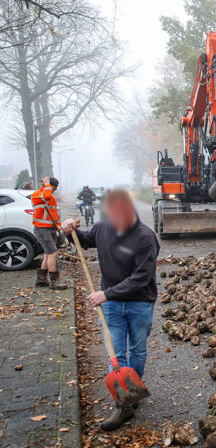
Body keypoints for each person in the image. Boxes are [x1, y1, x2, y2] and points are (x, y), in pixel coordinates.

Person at [61, 189, 159, 431]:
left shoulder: (145, 237)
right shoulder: (103, 228)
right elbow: (83, 240)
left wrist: (106, 294)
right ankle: (123, 403)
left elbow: (141, 277)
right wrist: (68, 231)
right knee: (115, 355)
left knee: (137, 350)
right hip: (113, 305)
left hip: (139, 302)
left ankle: (132, 391)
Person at [31, 176, 67, 290]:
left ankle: (41, 280)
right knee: (53, 254)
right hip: (42, 229)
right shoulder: (38, 194)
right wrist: (47, 184)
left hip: (50, 228)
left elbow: (54, 213)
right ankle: (54, 282)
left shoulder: (51, 197)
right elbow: (46, 195)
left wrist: (58, 225)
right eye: (54, 187)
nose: (55, 189)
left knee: (48, 254)